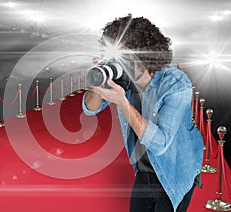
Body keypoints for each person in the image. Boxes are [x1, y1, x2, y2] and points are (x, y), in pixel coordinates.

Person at [82, 14, 204, 212]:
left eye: (124, 58)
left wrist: (122, 102)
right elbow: (89, 109)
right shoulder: (122, 80)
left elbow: (161, 143)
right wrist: (98, 85)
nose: (119, 64)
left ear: (145, 55)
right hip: (145, 170)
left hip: (176, 170)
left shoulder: (175, 83)